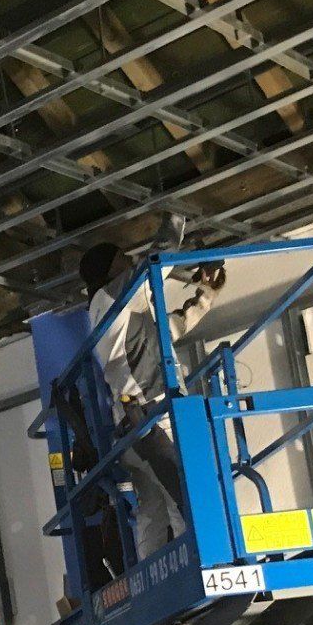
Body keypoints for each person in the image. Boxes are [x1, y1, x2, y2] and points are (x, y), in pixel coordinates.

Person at [79, 238, 227, 558]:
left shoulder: (115, 314)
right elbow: (156, 262)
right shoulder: (111, 296)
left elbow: (169, 330)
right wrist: (176, 225)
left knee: (152, 507)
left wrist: (205, 296)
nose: (129, 259)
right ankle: (201, 562)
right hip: (153, 417)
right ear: (110, 269)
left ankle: (153, 573)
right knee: (181, 495)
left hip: (133, 425)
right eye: (122, 256)